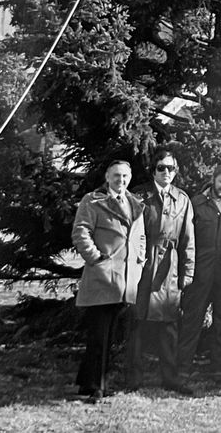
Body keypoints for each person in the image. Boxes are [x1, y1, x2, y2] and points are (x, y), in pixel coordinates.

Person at [71, 159, 146, 401]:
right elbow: (80, 232)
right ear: (107, 176)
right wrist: (96, 258)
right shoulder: (93, 201)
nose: (120, 180)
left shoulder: (135, 203)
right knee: (99, 335)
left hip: (125, 279)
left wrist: (140, 260)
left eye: (125, 176)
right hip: (103, 277)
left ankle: (88, 382)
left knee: (109, 335)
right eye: (116, 176)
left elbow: (140, 236)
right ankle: (97, 386)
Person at [128, 148, 195, 394]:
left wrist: (188, 272)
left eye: (171, 168)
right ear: (153, 170)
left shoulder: (183, 198)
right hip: (142, 264)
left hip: (170, 268)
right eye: (161, 168)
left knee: (169, 324)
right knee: (137, 322)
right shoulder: (138, 196)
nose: (166, 172)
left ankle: (170, 377)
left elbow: (189, 238)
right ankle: (134, 377)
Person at [178, 162, 221, 380]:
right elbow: (185, 237)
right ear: (213, 179)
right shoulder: (197, 203)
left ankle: (218, 368)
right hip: (200, 272)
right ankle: (183, 367)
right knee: (192, 319)